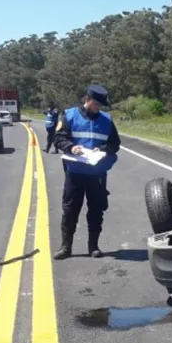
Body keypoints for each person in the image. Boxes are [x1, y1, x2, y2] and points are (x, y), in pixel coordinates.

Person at [51, 85, 121, 259]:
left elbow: (115, 144)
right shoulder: (69, 115)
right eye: (96, 104)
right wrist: (71, 147)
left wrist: (103, 149)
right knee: (70, 210)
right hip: (75, 172)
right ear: (88, 100)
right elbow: (58, 138)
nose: (99, 108)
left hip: (97, 173)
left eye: (101, 105)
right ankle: (66, 247)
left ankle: (93, 246)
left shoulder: (106, 119)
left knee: (96, 210)